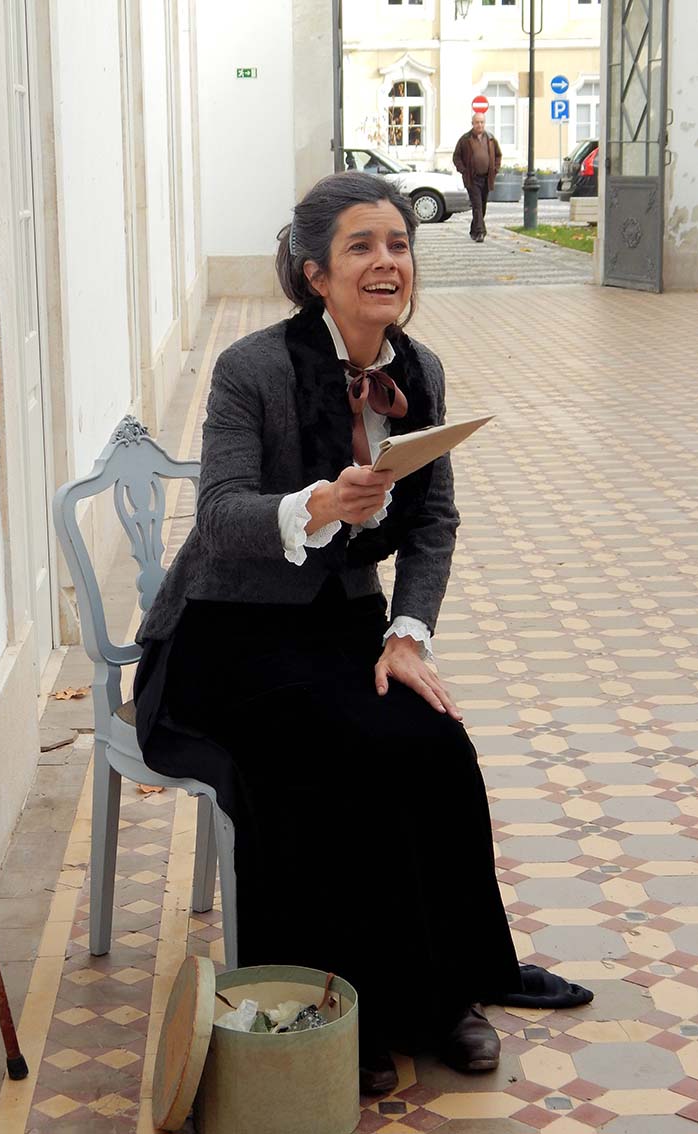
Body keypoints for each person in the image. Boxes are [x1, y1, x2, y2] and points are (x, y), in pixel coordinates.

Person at [133, 172, 590, 1096]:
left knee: (435, 743)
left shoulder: (419, 372)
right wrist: (316, 503)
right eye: (362, 247)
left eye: (398, 244)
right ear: (315, 273)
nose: (388, 262)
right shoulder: (251, 368)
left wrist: (408, 634)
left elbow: (432, 521)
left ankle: (448, 990)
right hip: (228, 636)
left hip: (344, 631)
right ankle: (342, 1005)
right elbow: (218, 515)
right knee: (326, 759)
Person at [453, 113, 502, 242]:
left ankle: (474, 230)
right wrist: (463, 170)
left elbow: (498, 155)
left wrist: (495, 169)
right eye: (477, 122)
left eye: (482, 122)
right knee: (477, 205)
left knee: (482, 206)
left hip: (486, 178)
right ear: (472, 124)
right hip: (472, 178)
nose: (479, 125)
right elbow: (456, 157)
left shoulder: (490, 139)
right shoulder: (465, 139)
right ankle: (480, 232)